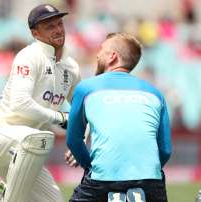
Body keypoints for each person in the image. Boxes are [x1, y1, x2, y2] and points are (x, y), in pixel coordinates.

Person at [0, 4, 80, 202]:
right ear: (36, 33)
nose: (58, 29)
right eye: (49, 26)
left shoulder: (71, 68)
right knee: (40, 138)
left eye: (59, 23)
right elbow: (20, 104)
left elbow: (80, 110)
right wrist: (59, 118)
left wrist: (81, 142)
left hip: (27, 150)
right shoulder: (29, 56)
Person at [66, 33, 172, 202]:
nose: (97, 55)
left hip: (102, 179)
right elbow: (165, 149)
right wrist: (145, 172)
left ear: (112, 57)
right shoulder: (155, 93)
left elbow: (73, 141)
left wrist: (90, 167)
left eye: (101, 50)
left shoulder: (86, 88)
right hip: (150, 181)